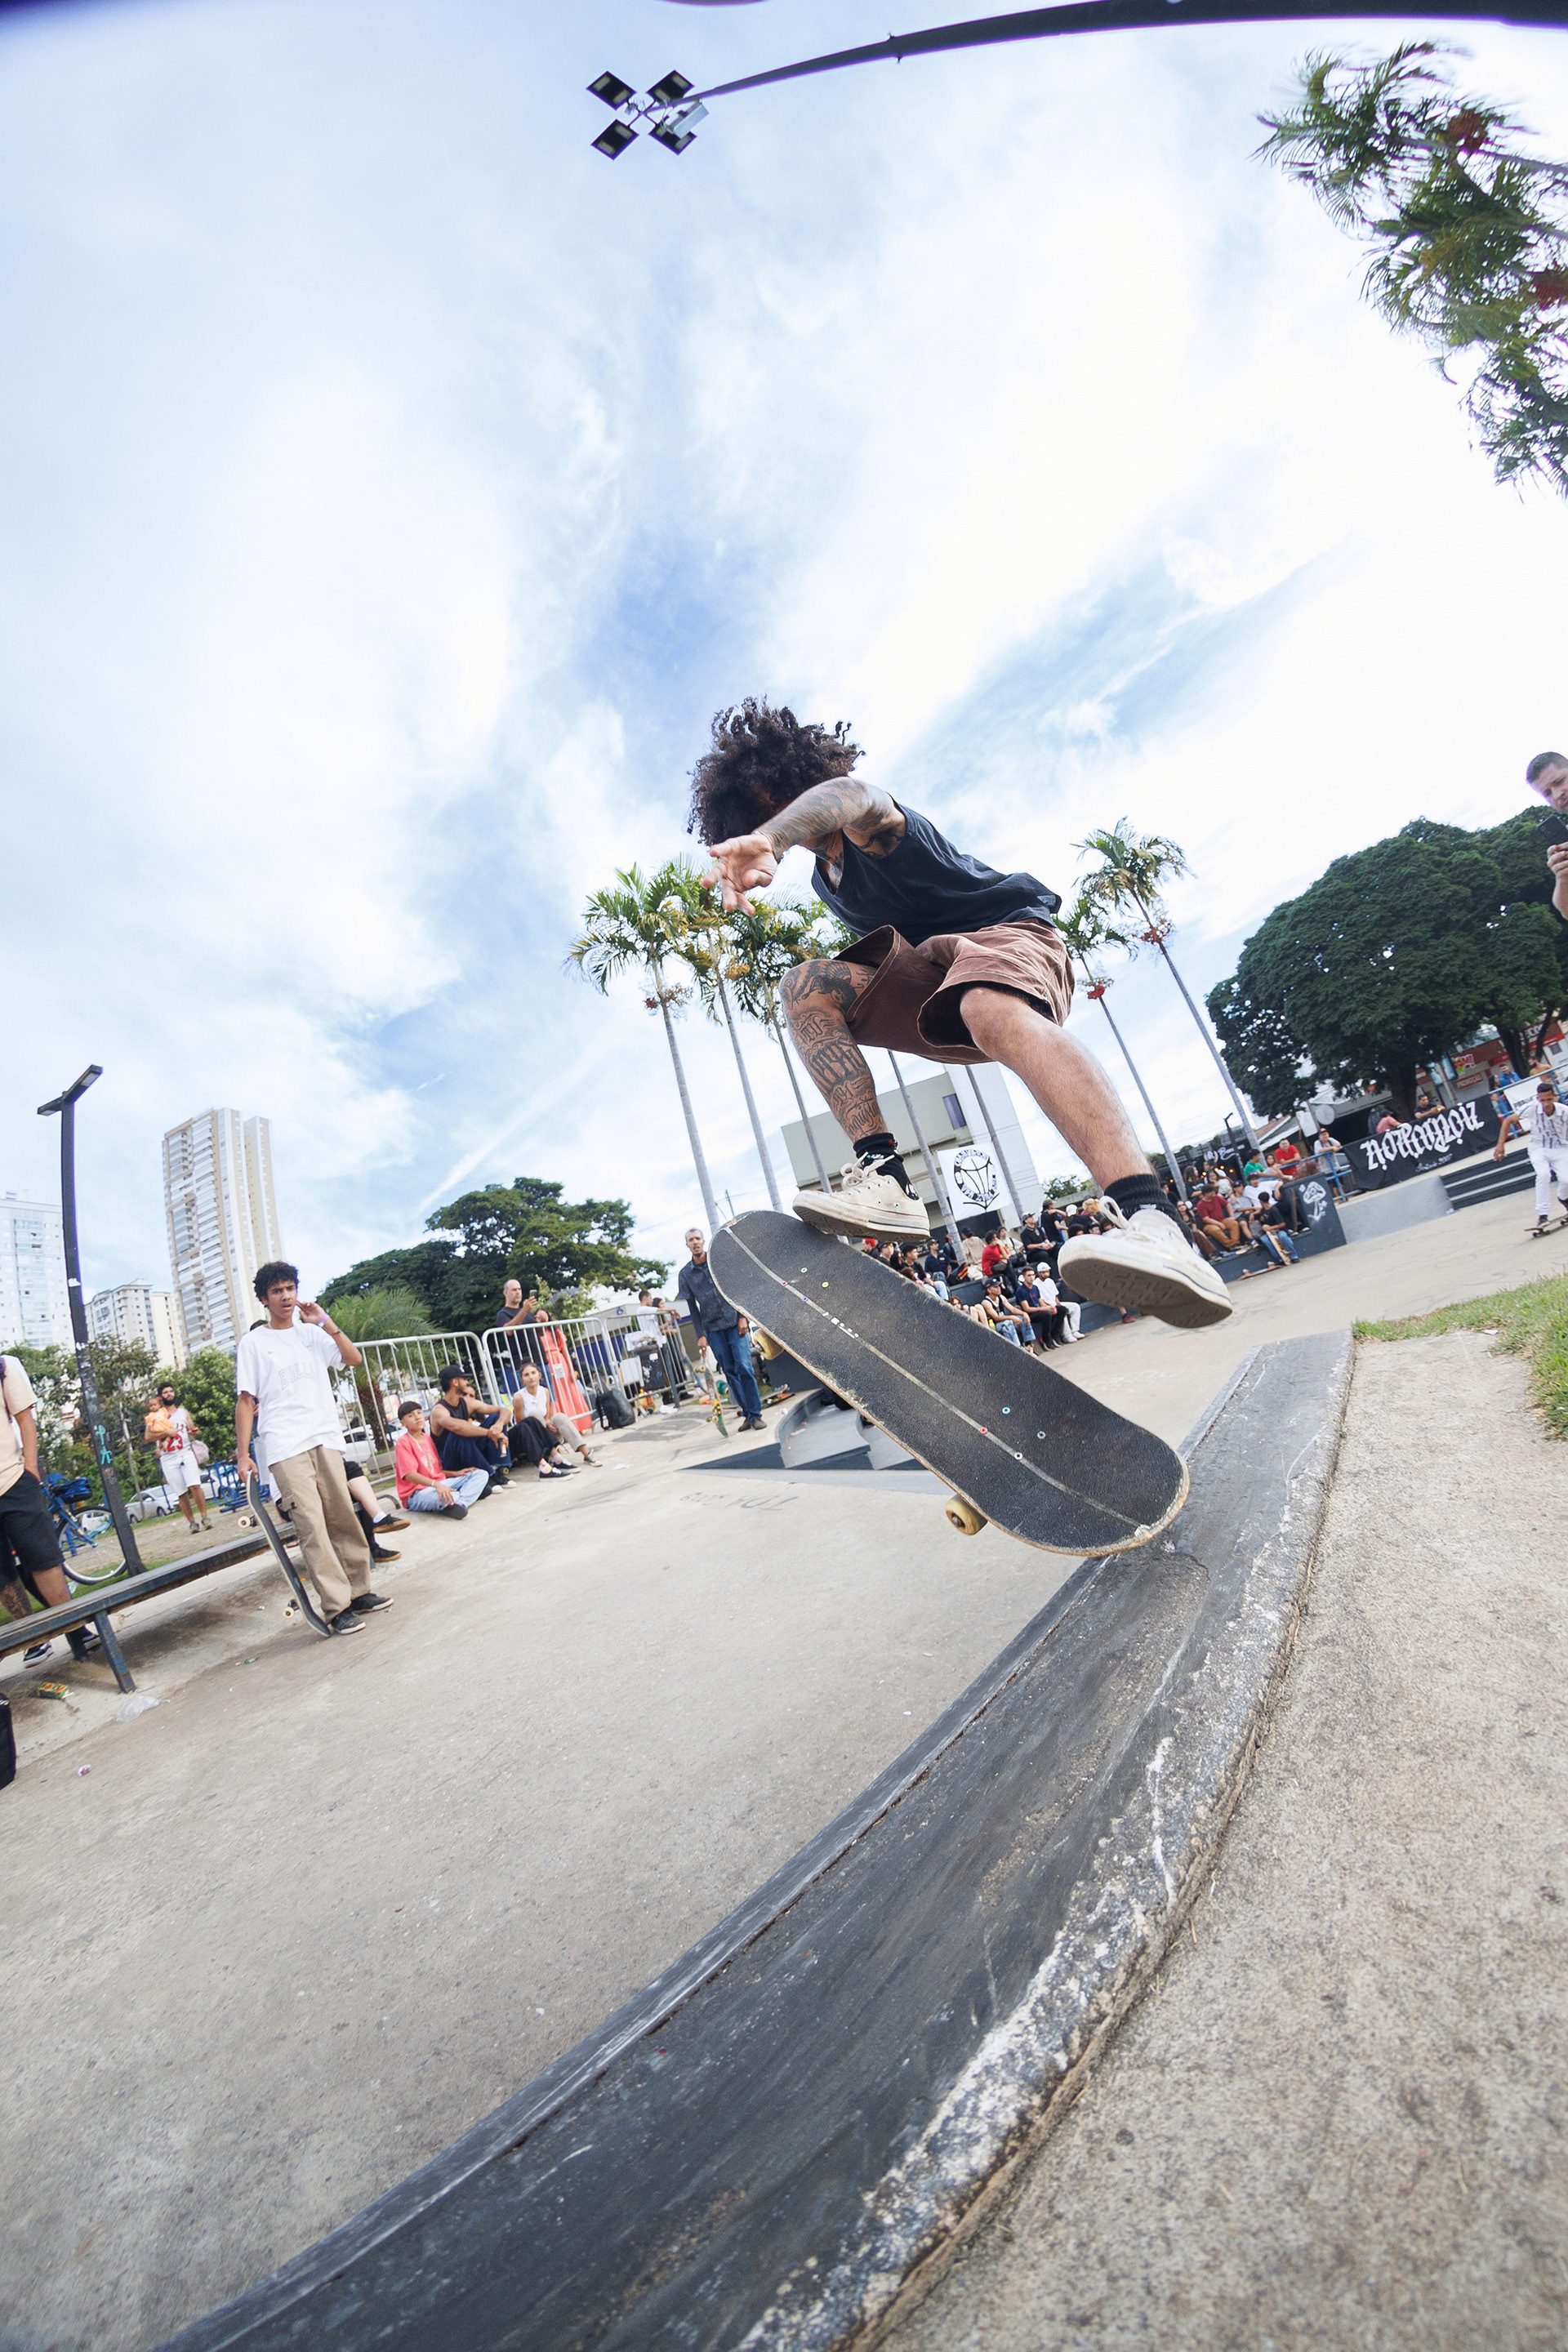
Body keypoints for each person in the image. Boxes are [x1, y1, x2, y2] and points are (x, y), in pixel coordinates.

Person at [691, 698, 1230, 1330]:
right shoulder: (823, 881)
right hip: (935, 981)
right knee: (805, 986)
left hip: (1010, 941)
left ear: (790, 784)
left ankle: (1153, 1220)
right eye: (758, 816)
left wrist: (774, 837)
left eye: (772, 806)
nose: (769, 820)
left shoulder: (872, 825)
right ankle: (888, 1179)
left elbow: (852, 796)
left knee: (984, 1004)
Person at [234, 1263, 390, 1636]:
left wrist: (325, 1320)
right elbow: (245, 1400)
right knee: (313, 1526)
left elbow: (352, 1359)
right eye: (277, 1291)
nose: (286, 1296)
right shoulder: (253, 1343)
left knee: (342, 1517)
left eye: (290, 1288)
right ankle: (337, 1607)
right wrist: (243, 1454)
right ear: (264, 1299)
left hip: (325, 1437)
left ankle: (359, 1591)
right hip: (286, 1445)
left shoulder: (311, 1333)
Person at [0, 1356, 101, 1668]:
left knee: (42, 1557)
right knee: (1, 1573)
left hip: (13, 1479)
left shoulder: (5, 1366)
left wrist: (30, 1471)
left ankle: (74, 1629)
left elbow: (25, 1420)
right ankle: (33, 1639)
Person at [675, 1229, 766, 1431]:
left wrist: (742, 1317)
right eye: (691, 1240)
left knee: (744, 1367)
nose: (695, 1243)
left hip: (735, 1323)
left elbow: (736, 1290)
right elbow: (692, 1308)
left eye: (698, 1239)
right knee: (730, 1371)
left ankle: (756, 1414)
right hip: (713, 1329)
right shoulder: (685, 1274)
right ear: (687, 1245)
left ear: (703, 1241)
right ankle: (747, 1414)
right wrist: (700, 1335)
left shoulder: (718, 1262)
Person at [1494, 1075, 1568, 1231]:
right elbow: (1508, 1120)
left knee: (1566, 1179)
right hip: (1538, 1147)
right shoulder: (1532, 1107)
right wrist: (1501, 1145)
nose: (1546, 1104)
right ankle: (1542, 1215)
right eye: (1543, 1100)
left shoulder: (1564, 1111)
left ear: (1555, 1097)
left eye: (1549, 1100)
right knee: (1543, 1175)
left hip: (1560, 1148)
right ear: (1538, 1098)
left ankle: (1564, 1198)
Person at [394, 1403, 489, 1517]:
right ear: (403, 1423)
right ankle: (466, 1497)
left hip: (438, 1484)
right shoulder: (403, 1443)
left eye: (419, 1413)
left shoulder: (427, 1438)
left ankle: (461, 1503)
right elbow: (409, 1475)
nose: (417, 1417)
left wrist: (456, 1474)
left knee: (481, 1474)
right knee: (452, 1496)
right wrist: (436, 1485)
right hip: (416, 1494)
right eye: (411, 1416)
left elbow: (437, 1471)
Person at [143, 1382, 212, 1535]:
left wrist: (194, 1432)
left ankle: (204, 1516)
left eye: (171, 1391)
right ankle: (192, 1522)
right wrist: (167, 1433)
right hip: (168, 1456)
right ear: (160, 1397)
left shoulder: (182, 1412)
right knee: (181, 1492)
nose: (169, 1394)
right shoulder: (156, 1414)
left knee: (195, 1485)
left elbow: (191, 1429)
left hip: (185, 1452)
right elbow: (148, 1436)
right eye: (166, 1392)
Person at [510, 1363, 601, 1473]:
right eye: (526, 1375)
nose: (531, 1377)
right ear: (522, 1380)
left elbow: (547, 1415)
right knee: (535, 1414)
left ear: (539, 1375)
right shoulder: (519, 1397)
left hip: (547, 1434)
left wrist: (548, 1422)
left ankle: (587, 1454)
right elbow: (521, 1425)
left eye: (533, 1373)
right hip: (532, 1440)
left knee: (559, 1417)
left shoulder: (544, 1391)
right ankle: (552, 1456)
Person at [430, 1370, 512, 1489]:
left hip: (468, 1451)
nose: (467, 1382)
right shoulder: (439, 1410)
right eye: (464, 1379)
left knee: (495, 1418)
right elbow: (457, 1427)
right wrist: (489, 1433)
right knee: (459, 1432)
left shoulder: (467, 1403)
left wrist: (498, 1425)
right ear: (455, 1382)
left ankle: (499, 1468)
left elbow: (504, 1411)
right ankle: (489, 1475)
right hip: (449, 1461)